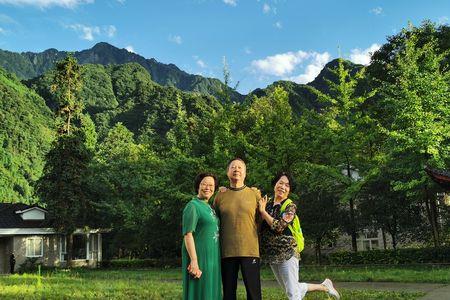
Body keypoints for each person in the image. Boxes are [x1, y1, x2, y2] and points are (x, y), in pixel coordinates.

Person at [259, 172, 340, 300]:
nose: (283, 187)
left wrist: (263, 212)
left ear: (289, 190)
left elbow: (279, 226)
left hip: (288, 253)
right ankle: (325, 286)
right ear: (275, 184)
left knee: (292, 293)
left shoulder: (290, 206)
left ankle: (325, 286)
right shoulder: (267, 203)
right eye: (280, 183)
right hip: (272, 254)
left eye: (287, 185)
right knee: (291, 288)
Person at [214, 158, 262, 300]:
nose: (236, 170)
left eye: (240, 168)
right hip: (227, 251)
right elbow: (214, 220)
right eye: (233, 167)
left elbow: (261, 219)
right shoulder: (220, 195)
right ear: (228, 172)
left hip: (250, 249)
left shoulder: (254, 194)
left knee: (254, 293)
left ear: (245, 173)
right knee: (228, 293)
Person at [182, 173, 221, 300]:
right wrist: (194, 261)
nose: (207, 187)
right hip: (199, 257)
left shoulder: (210, 207)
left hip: (213, 257)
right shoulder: (193, 206)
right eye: (204, 184)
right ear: (198, 186)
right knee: (200, 292)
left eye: (211, 185)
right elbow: (188, 235)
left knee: (211, 291)